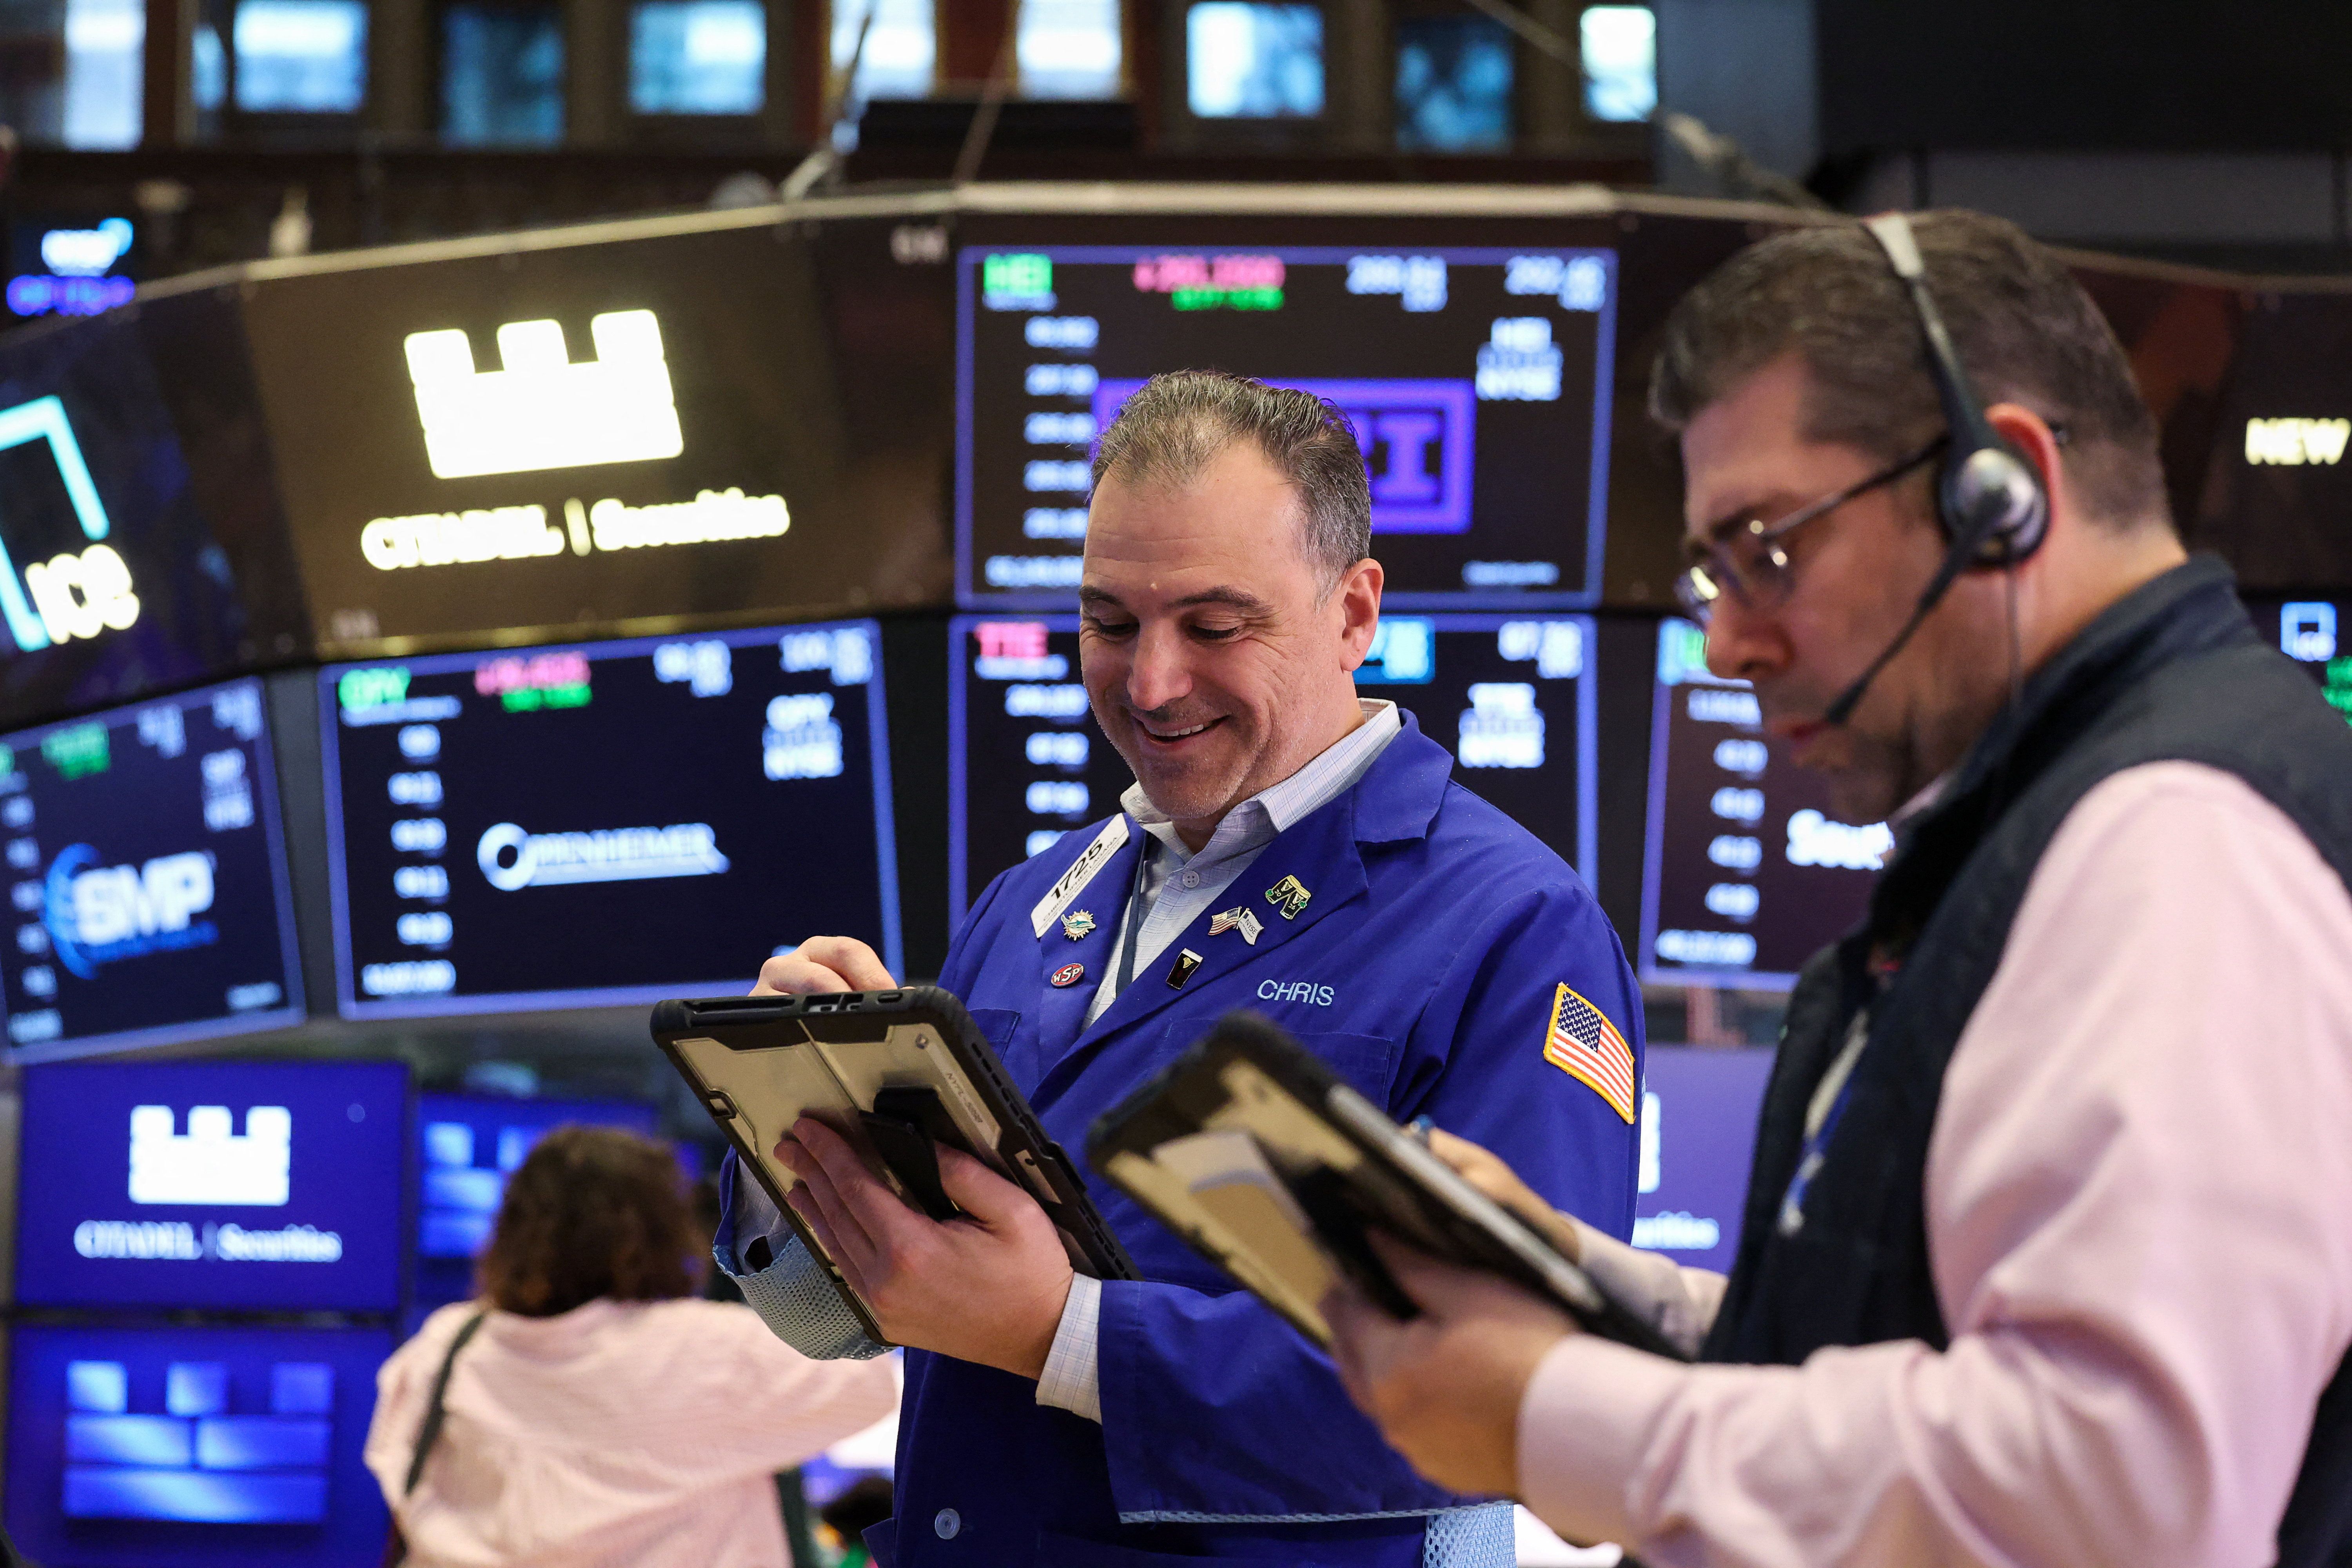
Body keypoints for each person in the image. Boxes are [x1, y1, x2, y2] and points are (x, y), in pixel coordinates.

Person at [1319, 209, 2352, 1568]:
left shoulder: (2174, 844)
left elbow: (2115, 1492)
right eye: (1714, 571)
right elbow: (1916, 1332)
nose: (1731, 641)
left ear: (2005, 491)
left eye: (1769, 548)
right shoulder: (2045, 826)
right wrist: (1592, 1297)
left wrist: (1564, 1417)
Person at [720, 370, 1646, 1566]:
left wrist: (1065, 1335)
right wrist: (792, 1150)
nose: (1150, 684)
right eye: (1110, 623)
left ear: (1355, 612)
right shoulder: (1028, 905)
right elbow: (836, 1324)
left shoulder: (1513, 925)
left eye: (1215, 627)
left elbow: (1520, 1394)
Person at [367, 1125, 897, 1568]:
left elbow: (395, 1466)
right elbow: (870, 1380)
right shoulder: (708, 1348)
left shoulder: (451, 1344)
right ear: (662, 1231)